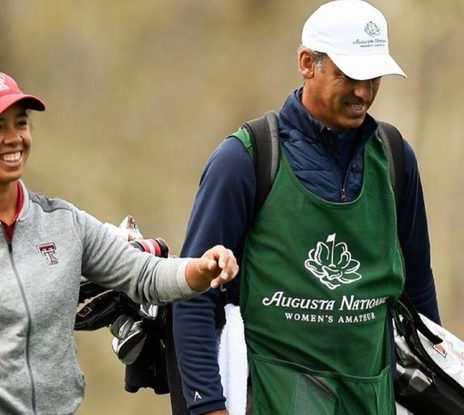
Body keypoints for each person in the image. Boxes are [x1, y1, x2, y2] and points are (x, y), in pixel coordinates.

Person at [0, 68, 239, 415]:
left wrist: (201, 269)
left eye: (21, 124)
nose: (14, 138)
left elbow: (143, 276)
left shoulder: (63, 223)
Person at [171, 1, 441, 414]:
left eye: (373, 77)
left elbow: (418, 292)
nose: (363, 92)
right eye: (349, 75)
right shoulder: (246, 159)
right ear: (307, 63)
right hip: (273, 396)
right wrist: (207, 405)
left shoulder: (395, 159)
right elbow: (191, 294)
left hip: (372, 399)